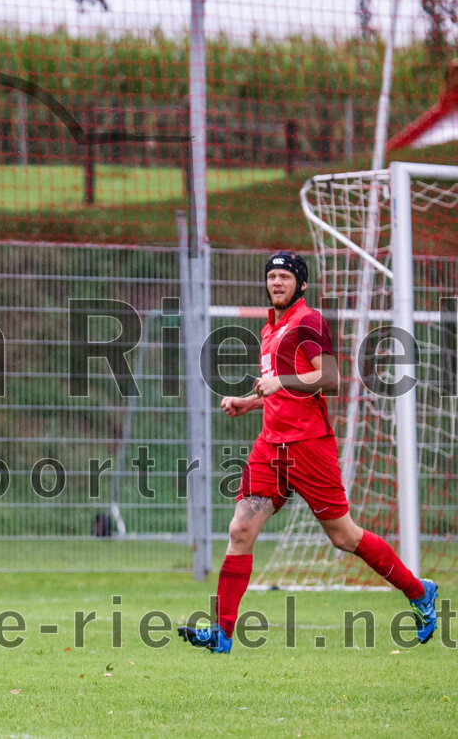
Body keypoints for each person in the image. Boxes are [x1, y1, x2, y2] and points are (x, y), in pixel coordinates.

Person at [178, 251, 439, 654]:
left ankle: (420, 591)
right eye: (272, 276)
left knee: (344, 536)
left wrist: (279, 381)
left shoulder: (308, 320)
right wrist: (250, 402)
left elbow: (330, 379)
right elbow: (282, 391)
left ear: (300, 284)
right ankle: (223, 634)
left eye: (285, 276)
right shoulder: (270, 329)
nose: (276, 283)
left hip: (308, 447)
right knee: (240, 530)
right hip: (270, 447)